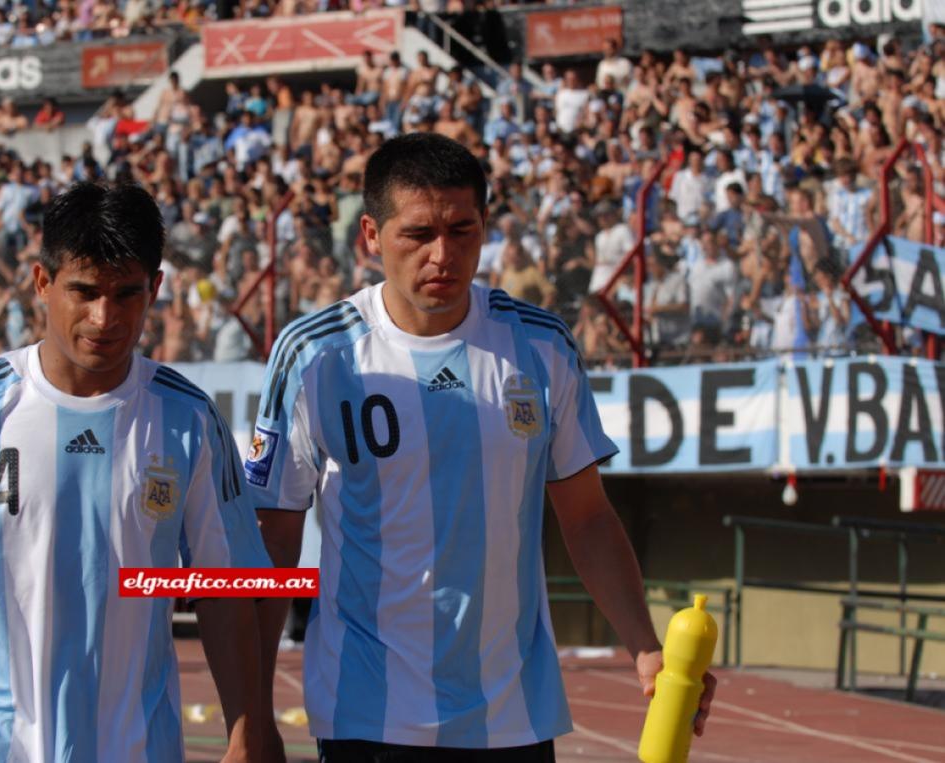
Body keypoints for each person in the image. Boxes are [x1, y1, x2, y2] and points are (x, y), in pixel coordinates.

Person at [248, 134, 715, 762]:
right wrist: (249, 715)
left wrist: (646, 646)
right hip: (366, 713)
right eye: (418, 234)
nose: (443, 254)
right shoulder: (314, 354)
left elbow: (588, 517)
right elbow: (273, 537)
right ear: (370, 235)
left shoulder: (541, 345)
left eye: (462, 230)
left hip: (512, 717)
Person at [0, 183, 271, 762]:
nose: (105, 317)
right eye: (84, 291)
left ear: (155, 288)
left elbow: (223, 589)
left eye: (127, 294)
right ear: (41, 283)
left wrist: (246, 732)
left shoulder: (189, 418)